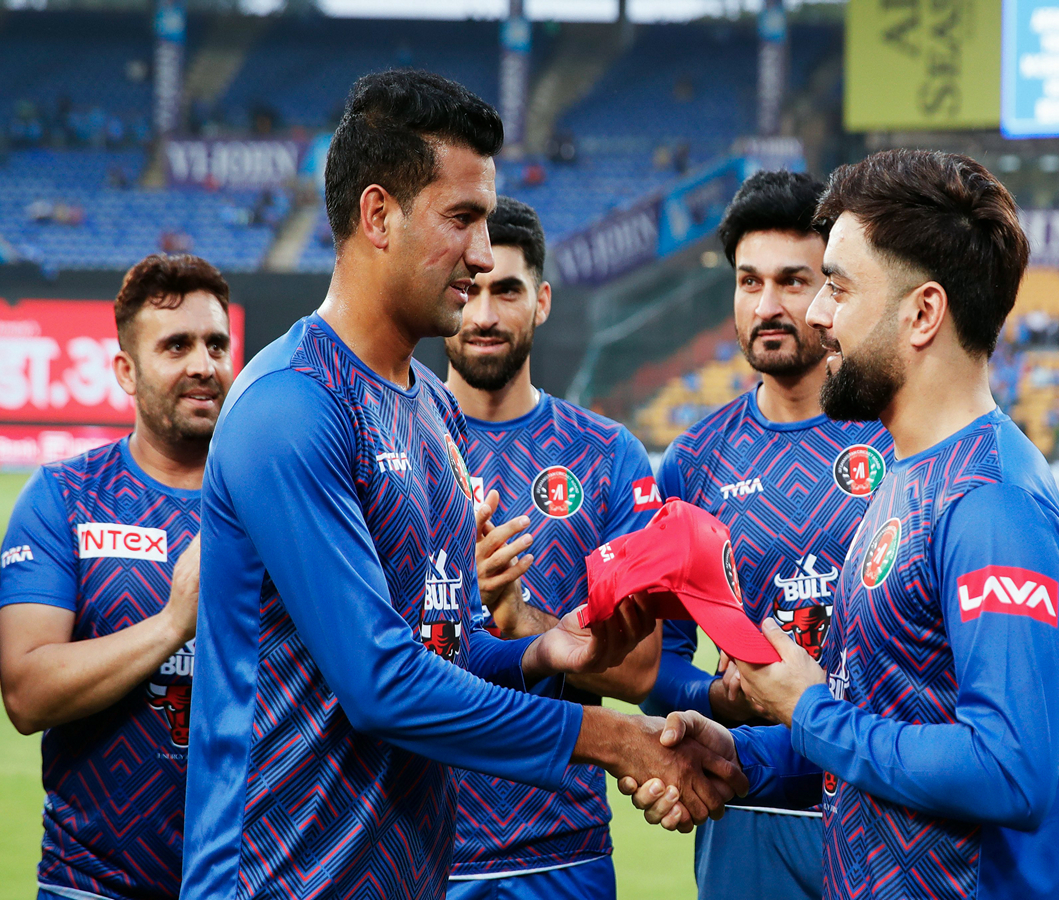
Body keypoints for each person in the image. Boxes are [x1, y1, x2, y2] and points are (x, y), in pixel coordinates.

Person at [179, 70, 745, 900]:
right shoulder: (290, 407)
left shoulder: (431, 408)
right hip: (278, 879)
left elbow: (442, 646)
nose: (482, 253)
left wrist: (548, 651)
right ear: (378, 215)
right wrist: (615, 740)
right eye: (463, 218)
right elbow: (380, 685)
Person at [624, 149, 1059, 900]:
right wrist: (746, 754)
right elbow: (878, 718)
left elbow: (1008, 770)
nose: (814, 314)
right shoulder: (909, 477)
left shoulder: (990, 500)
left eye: (835, 286)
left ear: (923, 313)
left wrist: (808, 707)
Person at [639, 171, 892, 900]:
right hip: (745, 806)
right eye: (749, 282)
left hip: (878, 805)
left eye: (794, 281)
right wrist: (726, 703)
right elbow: (662, 665)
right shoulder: (694, 460)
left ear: (832, 292)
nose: (769, 305)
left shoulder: (896, 438)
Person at [0, 253, 236, 900]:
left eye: (216, 344)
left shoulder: (275, 502)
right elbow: (25, 692)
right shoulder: (64, 499)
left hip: (251, 883)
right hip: (92, 886)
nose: (202, 365)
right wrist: (171, 625)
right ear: (126, 372)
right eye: (176, 345)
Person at [443, 196, 663, 900]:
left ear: (540, 301)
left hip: (559, 852)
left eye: (505, 290)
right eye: (469, 290)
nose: (482, 315)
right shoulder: (387, 443)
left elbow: (638, 671)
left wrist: (516, 613)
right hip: (415, 847)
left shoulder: (607, 456)